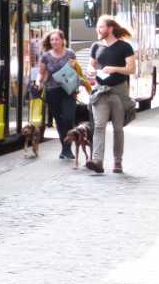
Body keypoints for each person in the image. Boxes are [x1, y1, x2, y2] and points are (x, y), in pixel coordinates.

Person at [86, 14, 136, 174]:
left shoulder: (125, 47)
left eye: (101, 26)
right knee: (99, 126)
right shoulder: (95, 46)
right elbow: (89, 67)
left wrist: (114, 68)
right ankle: (97, 161)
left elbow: (131, 69)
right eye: (98, 27)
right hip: (101, 91)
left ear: (110, 28)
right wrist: (92, 70)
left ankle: (117, 162)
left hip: (118, 91)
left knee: (117, 128)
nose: (98, 29)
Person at [37, 29, 78, 160]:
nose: (54, 42)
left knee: (68, 118)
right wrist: (38, 81)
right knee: (59, 121)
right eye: (52, 40)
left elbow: (76, 70)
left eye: (56, 39)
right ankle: (65, 149)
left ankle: (67, 148)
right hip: (52, 91)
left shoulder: (70, 53)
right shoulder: (46, 56)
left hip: (68, 90)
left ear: (62, 40)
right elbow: (41, 73)